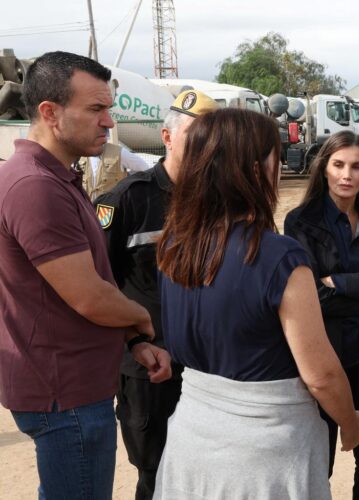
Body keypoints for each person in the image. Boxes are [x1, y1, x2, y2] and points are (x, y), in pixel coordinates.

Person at [154, 108, 359, 499]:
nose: (282, 167)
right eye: (276, 158)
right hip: (263, 456)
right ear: (254, 171)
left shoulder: (173, 245)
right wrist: (350, 426)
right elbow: (321, 375)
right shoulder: (279, 257)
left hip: (191, 439)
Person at [0, 51, 171, 499]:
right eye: (96, 109)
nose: (109, 122)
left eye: (109, 109)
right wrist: (144, 318)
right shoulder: (35, 186)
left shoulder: (56, 179)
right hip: (65, 394)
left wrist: (134, 340)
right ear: (50, 113)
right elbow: (90, 297)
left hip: (71, 386)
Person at [93, 89, 218, 500]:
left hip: (207, 364)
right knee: (156, 474)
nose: (205, 147)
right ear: (166, 136)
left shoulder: (218, 202)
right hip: (149, 367)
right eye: (194, 136)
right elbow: (100, 281)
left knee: (207, 470)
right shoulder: (128, 199)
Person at [284, 130, 359, 499]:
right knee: (319, 462)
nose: (346, 174)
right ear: (324, 169)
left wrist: (339, 281)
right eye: (338, 165)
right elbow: (313, 299)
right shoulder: (300, 222)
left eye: (356, 166)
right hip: (322, 359)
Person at [77, 139, 151, 200]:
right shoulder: (80, 153)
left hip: (108, 208)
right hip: (86, 207)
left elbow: (145, 169)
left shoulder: (119, 153)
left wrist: (129, 184)